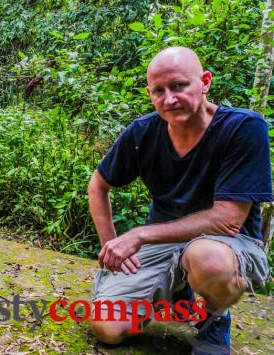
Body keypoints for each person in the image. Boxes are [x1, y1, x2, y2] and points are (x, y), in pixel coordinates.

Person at [87, 46, 272, 354]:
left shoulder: (243, 128)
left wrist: (139, 234)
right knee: (107, 329)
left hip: (227, 243)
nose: (169, 99)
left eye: (179, 86)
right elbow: (98, 186)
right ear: (149, 93)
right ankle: (177, 293)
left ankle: (214, 318)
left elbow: (227, 219)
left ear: (205, 82)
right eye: (158, 91)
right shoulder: (143, 132)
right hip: (164, 243)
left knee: (207, 260)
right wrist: (112, 249)